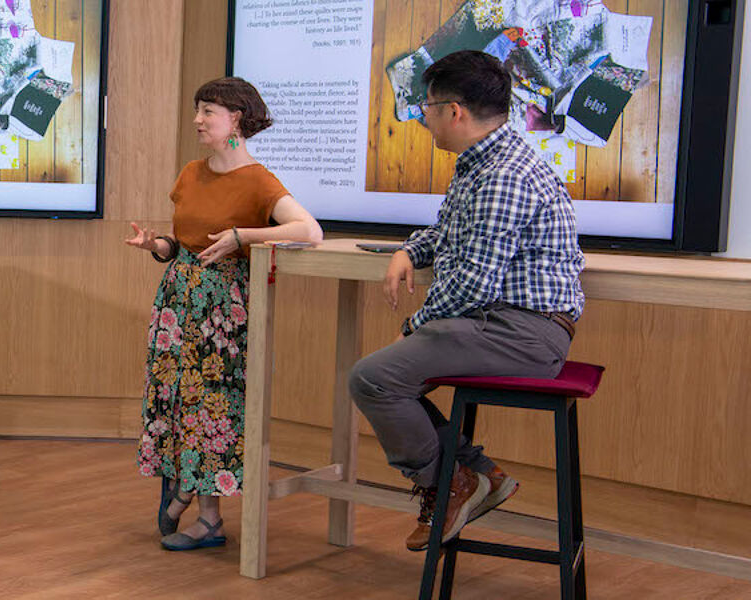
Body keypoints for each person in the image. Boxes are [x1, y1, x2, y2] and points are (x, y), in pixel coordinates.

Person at [347, 50, 586, 552]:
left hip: (522, 332)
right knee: (386, 376)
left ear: (454, 111)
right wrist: (410, 250)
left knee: (373, 377)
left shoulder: (503, 175)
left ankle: (454, 481)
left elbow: (474, 283)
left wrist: (414, 327)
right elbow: (448, 232)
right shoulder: (483, 162)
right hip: (493, 324)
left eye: (427, 108)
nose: (423, 119)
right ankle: (473, 475)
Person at [126, 77, 324, 551]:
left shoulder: (258, 179)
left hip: (223, 313)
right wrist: (157, 245)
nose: (198, 119)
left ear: (236, 118)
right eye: (198, 109)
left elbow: (309, 230)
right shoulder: (191, 172)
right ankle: (189, 495)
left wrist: (244, 236)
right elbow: (185, 243)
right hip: (178, 302)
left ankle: (200, 508)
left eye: (208, 110)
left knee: (211, 406)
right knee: (176, 402)